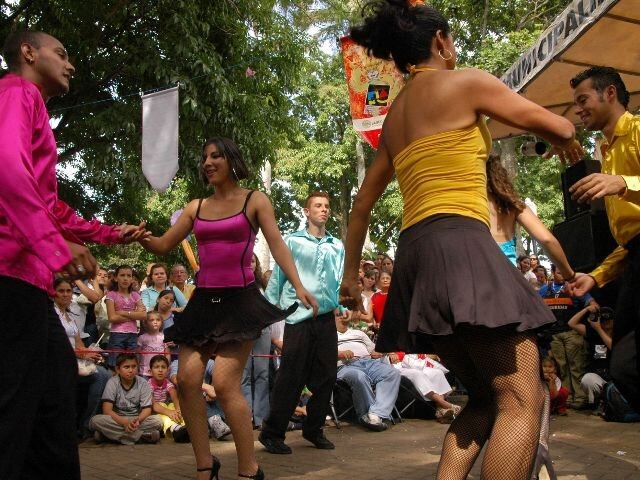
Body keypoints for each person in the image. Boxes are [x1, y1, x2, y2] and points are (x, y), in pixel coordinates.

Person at [339, 2, 583, 478]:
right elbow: (562, 126)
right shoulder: (466, 82)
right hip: (460, 244)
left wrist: (351, 276)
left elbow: (362, 204)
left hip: (416, 255)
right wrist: (565, 137)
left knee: (485, 399)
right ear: (441, 41)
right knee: (522, 396)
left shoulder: (394, 116)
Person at [0, 30, 147, 480]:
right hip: (9, 275)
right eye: (61, 54)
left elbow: (49, 204)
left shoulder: (31, 105)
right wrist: (52, 245)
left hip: (27, 282)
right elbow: (7, 169)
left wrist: (107, 233)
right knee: (15, 404)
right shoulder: (17, 92)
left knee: (54, 392)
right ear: (28, 53)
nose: (71, 64)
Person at [140, 136, 317, 480]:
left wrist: (297, 285)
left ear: (232, 160)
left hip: (240, 302)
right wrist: (139, 236)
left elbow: (277, 244)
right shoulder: (195, 207)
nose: (208, 162)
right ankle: (205, 465)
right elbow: (162, 245)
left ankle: (249, 467)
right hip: (204, 303)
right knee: (186, 380)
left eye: (216, 156)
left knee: (224, 384)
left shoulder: (255, 199)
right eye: (205, 157)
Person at [567, 66, 640, 412]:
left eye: (583, 100)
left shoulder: (638, 130)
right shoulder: (607, 152)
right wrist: (596, 276)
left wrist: (624, 183)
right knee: (624, 366)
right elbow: (633, 240)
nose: (578, 109)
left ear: (609, 93)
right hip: (633, 262)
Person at [259, 192, 344, 455]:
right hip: (298, 316)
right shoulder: (292, 241)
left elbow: (338, 280)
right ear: (306, 211)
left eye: (327, 206)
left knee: (327, 376)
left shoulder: (336, 245)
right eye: (318, 205)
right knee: (291, 377)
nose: (324, 209)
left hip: (326, 318)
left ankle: (314, 429)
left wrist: (340, 307)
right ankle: (272, 433)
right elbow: (279, 276)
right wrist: (268, 309)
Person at [486, 154, 575, 277]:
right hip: (507, 278)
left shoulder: (465, 206)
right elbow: (547, 240)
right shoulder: (513, 205)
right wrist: (571, 276)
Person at [53, 278, 110, 439]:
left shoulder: (70, 316)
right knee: (100, 376)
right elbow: (56, 345)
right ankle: (82, 427)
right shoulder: (51, 314)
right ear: (53, 293)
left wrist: (92, 354)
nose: (65, 294)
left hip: (76, 361)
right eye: (61, 291)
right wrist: (82, 354)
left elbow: (79, 344)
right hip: (59, 362)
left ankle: (85, 424)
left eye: (68, 291)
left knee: (105, 374)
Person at [539, 265, 595, 408]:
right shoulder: (544, 290)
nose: (562, 275)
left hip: (572, 333)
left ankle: (580, 398)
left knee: (576, 365)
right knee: (561, 367)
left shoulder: (575, 287)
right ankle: (566, 398)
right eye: (559, 273)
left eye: (564, 272)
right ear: (553, 273)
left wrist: (592, 305)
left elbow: (591, 302)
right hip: (554, 335)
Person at [336, 311, 401, 431]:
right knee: (359, 376)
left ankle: (375, 414)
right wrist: (339, 353)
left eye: (344, 314)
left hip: (368, 362)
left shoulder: (358, 333)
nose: (342, 316)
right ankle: (366, 415)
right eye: (338, 315)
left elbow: (374, 350)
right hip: (345, 366)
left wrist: (381, 352)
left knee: (392, 373)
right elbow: (323, 353)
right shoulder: (329, 335)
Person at [90, 353, 163, 444]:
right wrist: (124, 423)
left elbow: (147, 410)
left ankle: (108, 437)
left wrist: (136, 421)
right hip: (117, 419)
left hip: (136, 420)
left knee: (158, 421)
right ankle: (142, 437)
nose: (131, 370)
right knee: (96, 420)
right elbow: (107, 410)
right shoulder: (112, 382)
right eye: (126, 367)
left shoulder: (143, 383)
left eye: (134, 366)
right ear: (118, 369)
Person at [241, 254, 271, 429]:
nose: (250, 264)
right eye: (247, 261)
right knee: (243, 375)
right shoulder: (237, 282)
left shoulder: (263, 284)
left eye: (252, 261)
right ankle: (245, 417)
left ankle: (261, 418)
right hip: (243, 332)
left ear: (256, 264)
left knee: (262, 374)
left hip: (263, 331)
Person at [389, 352, 461, 422]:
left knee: (437, 373)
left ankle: (440, 410)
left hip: (411, 362)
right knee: (417, 374)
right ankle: (444, 404)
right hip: (396, 367)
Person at [568, 305, 614, 407]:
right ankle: (596, 404)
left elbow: (613, 347)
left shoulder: (620, 333)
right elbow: (571, 323)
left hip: (616, 378)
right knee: (587, 379)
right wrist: (586, 309)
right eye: (603, 320)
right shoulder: (593, 333)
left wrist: (599, 329)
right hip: (601, 376)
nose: (606, 322)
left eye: (608, 320)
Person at [105, 265, 147, 368]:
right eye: (122, 275)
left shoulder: (135, 295)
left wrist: (122, 313)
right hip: (117, 334)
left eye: (129, 276)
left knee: (131, 364)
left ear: (132, 279)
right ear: (116, 278)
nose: (125, 278)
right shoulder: (111, 295)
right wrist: (134, 314)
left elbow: (143, 315)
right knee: (116, 364)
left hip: (133, 334)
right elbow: (112, 318)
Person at [148, 355, 189, 443]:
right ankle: (174, 429)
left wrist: (178, 410)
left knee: (172, 405)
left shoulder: (168, 384)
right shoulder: (148, 385)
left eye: (163, 367)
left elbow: (175, 398)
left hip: (166, 408)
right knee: (163, 407)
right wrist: (169, 412)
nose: (160, 370)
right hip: (154, 411)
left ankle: (185, 428)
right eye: (156, 367)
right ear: (150, 372)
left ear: (167, 370)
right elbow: (154, 405)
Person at [138, 312, 169, 379]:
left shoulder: (164, 337)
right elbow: (138, 354)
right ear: (146, 323)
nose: (155, 322)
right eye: (151, 320)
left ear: (161, 322)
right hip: (144, 371)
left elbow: (167, 354)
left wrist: (167, 367)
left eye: (158, 320)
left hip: (159, 371)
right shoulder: (142, 338)